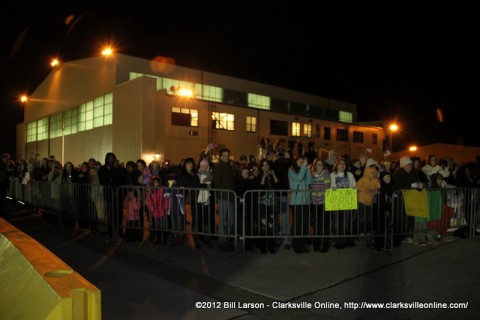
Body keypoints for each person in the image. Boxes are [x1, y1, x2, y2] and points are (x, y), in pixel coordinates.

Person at [393, 156, 423, 244]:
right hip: (401, 200)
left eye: (410, 164)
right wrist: (411, 186)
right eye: (407, 164)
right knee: (402, 218)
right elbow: (399, 186)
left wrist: (419, 186)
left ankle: (410, 235)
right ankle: (403, 235)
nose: (410, 166)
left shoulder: (413, 173)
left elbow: (416, 183)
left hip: (411, 199)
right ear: (403, 165)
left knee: (410, 217)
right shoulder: (399, 174)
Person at [212, 148, 237, 252]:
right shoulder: (218, 167)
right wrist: (225, 191)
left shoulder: (230, 167)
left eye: (228, 155)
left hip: (231, 197)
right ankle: (223, 242)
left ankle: (226, 239)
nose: (226, 157)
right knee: (224, 221)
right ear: (221, 156)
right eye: (224, 155)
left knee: (230, 220)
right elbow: (217, 182)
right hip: (223, 197)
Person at [330, 158, 357, 249]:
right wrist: (332, 188)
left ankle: (344, 241)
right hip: (335, 201)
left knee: (345, 222)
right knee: (336, 223)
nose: (342, 165)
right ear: (337, 165)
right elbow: (329, 186)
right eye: (340, 163)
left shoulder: (349, 175)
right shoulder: (332, 175)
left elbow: (354, 186)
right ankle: (337, 241)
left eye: (344, 164)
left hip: (347, 200)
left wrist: (353, 189)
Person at [288, 156, 313, 254]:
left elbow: (310, 181)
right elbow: (299, 179)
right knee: (297, 224)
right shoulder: (291, 171)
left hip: (306, 202)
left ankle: (302, 245)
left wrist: (307, 170)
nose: (302, 163)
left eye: (303, 161)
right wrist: (304, 167)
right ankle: (296, 246)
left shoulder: (304, 169)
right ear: (295, 162)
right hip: (297, 202)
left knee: (304, 225)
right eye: (300, 161)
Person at [256, 159, 280, 253]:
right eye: (263, 165)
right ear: (260, 167)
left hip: (271, 204)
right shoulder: (259, 176)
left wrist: (273, 175)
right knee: (263, 225)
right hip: (262, 204)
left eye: (267, 165)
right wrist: (263, 177)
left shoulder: (272, 176)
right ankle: (263, 247)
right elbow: (260, 190)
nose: (265, 167)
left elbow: (278, 187)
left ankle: (271, 246)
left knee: (270, 225)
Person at [310, 158, 331, 252]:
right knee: (316, 225)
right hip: (315, 202)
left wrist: (317, 184)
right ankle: (316, 245)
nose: (319, 166)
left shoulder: (326, 173)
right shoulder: (312, 174)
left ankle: (325, 245)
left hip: (324, 202)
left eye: (321, 165)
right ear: (315, 165)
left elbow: (327, 186)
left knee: (325, 225)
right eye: (318, 164)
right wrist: (318, 184)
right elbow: (310, 186)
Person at [146, 176, 168, 244]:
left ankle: (164, 239)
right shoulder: (150, 191)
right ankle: (158, 239)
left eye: (157, 182)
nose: (156, 184)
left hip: (162, 210)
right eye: (154, 183)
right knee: (157, 225)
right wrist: (151, 208)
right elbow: (148, 201)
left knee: (163, 225)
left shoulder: (163, 189)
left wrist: (165, 207)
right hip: (155, 211)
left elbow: (166, 199)